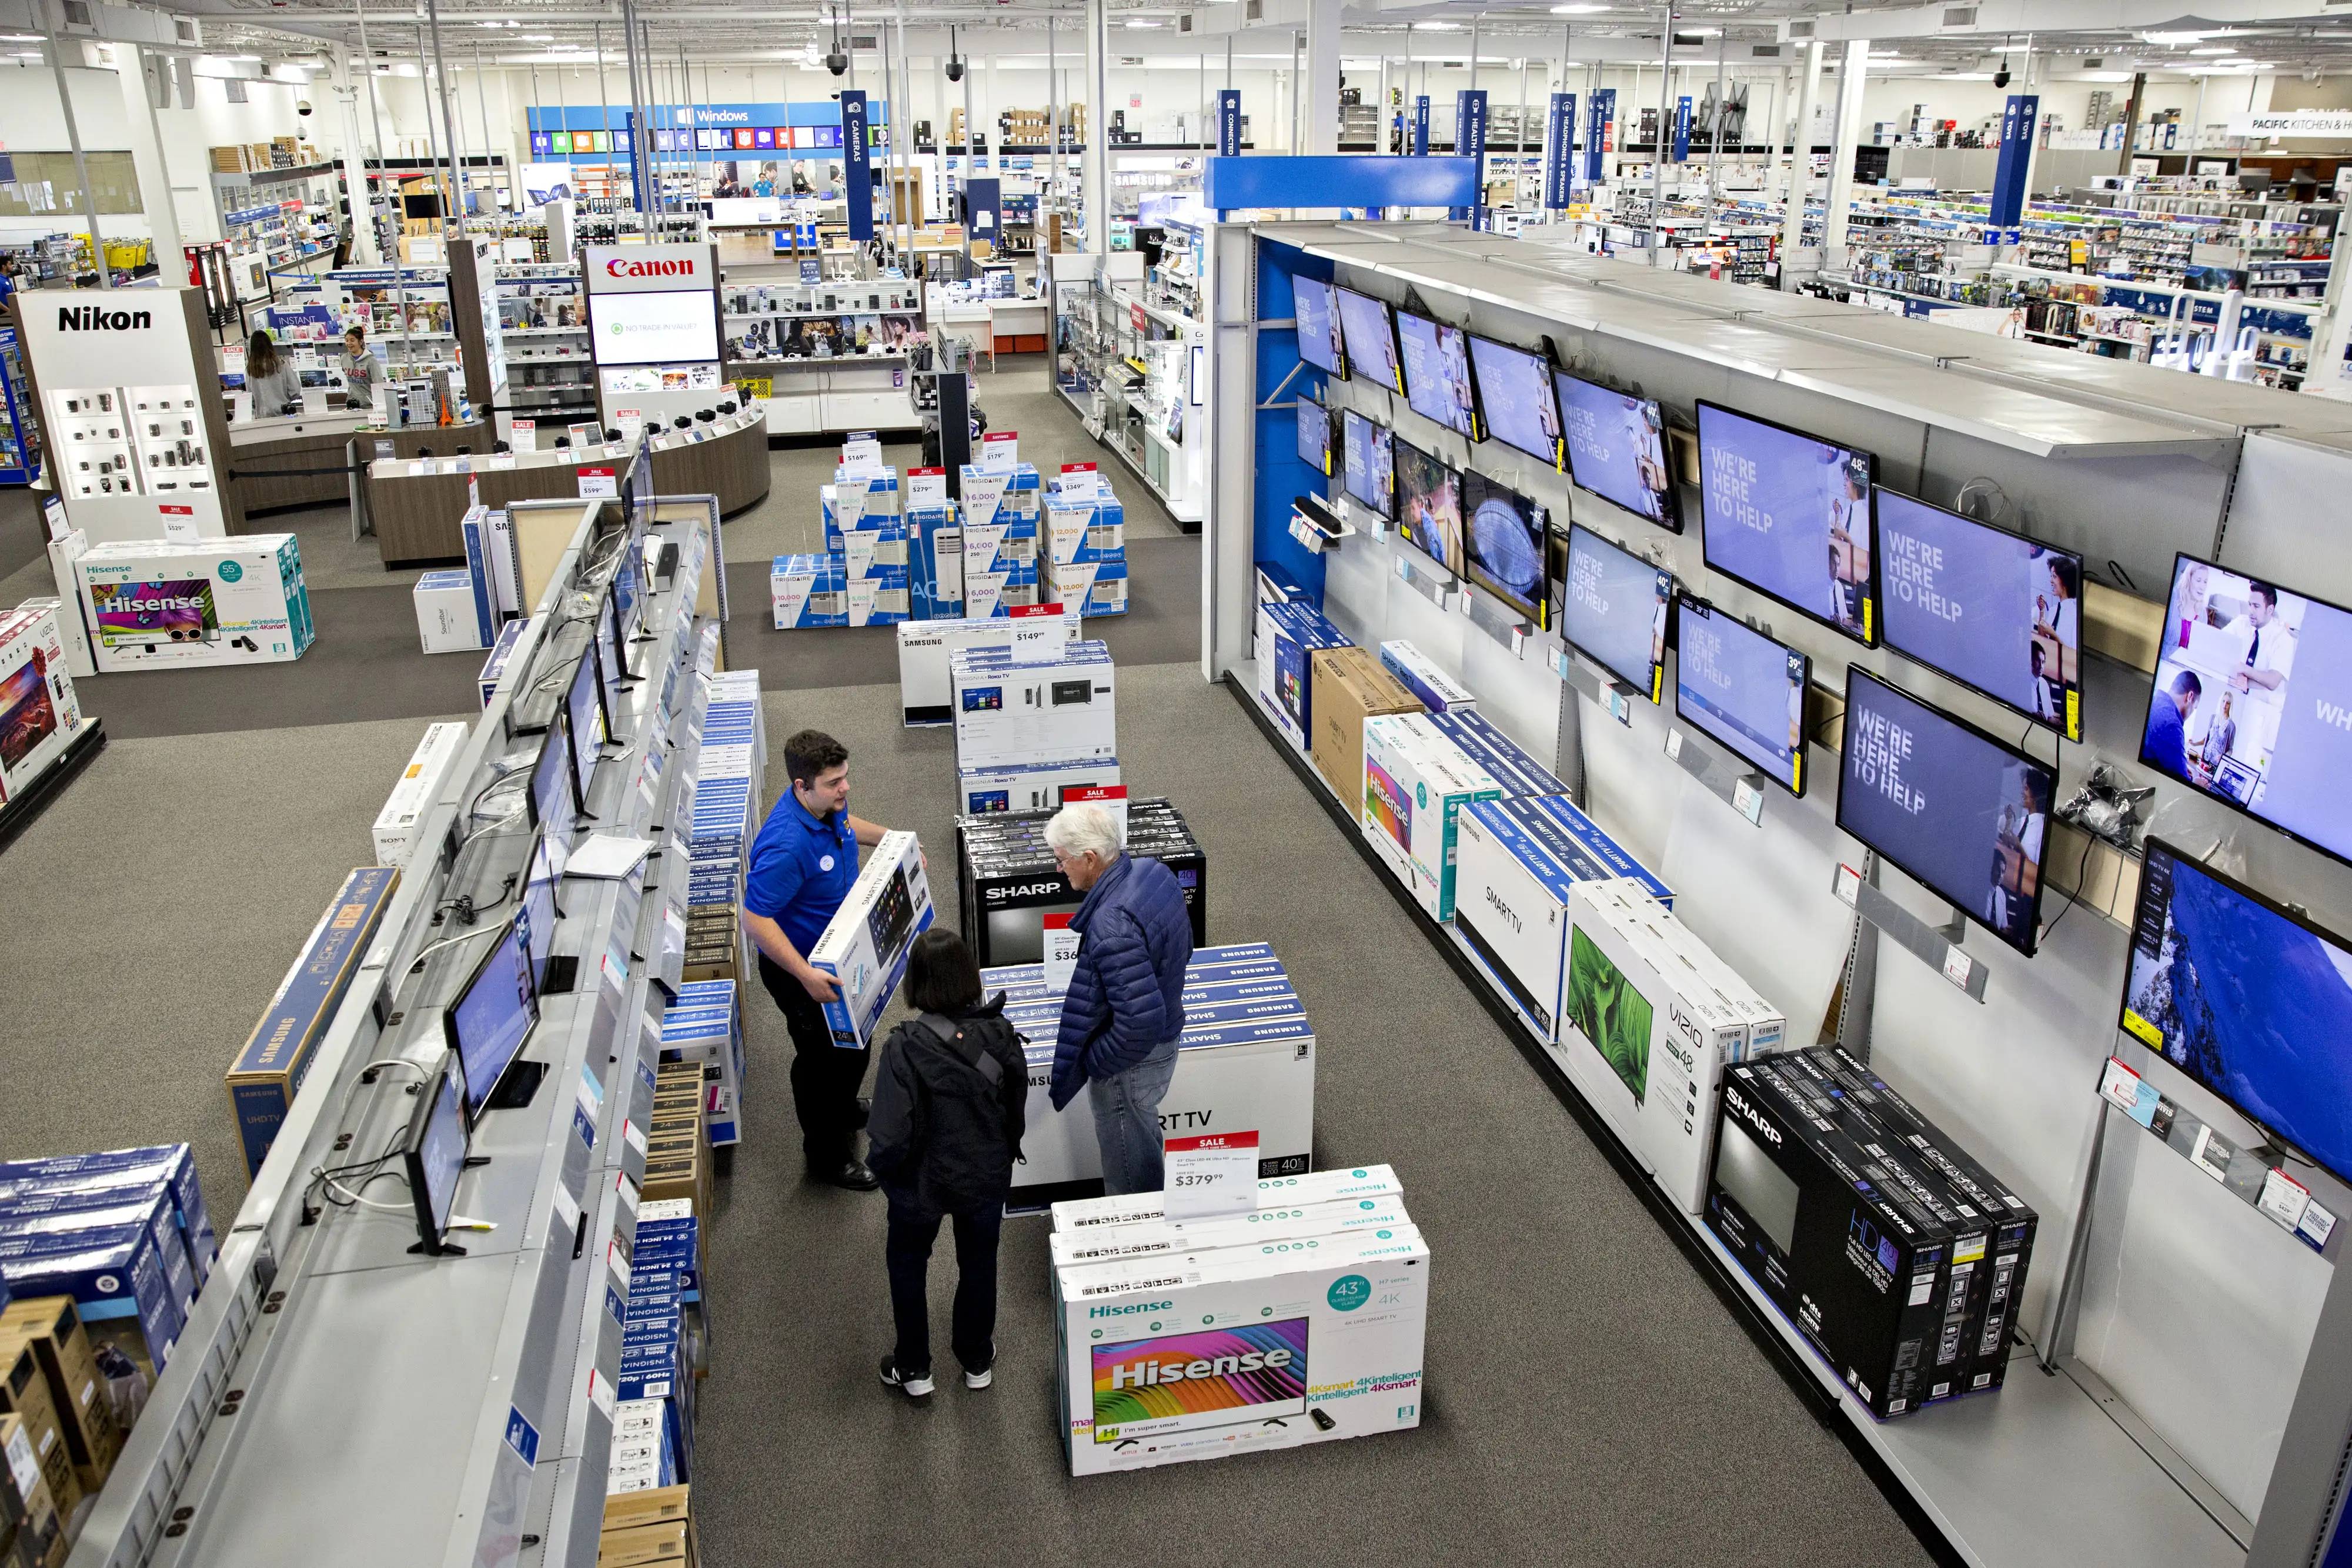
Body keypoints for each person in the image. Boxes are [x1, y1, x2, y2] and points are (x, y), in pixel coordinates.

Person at [743, 729, 909, 1190]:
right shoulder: (786, 845)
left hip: (839, 956)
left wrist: (894, 841)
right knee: (821, 1064)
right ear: (802, 786)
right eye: (835, 782)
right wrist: (805, 973)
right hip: (802, 972)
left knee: (855, 1043)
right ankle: (825, 1155)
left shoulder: (823, 808)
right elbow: (755, 920)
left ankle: (843, 1108)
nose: (845, 789)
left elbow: (849, 824)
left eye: (845, 777)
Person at [866, 930, 1025, 1400]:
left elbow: (891, 1134)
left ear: (916, 982)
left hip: (921, 1184)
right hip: (983, 1175)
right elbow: (1014, 1106)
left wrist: (884, 1172)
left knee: (908, 1264)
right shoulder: (999, 1033)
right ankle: (977, 1358)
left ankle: (914, 1367)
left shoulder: (904, 1046)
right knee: (979, 1262)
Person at [1045, 801, 1195, 1195]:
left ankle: (1138, 1239)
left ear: (1090, 858)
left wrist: (1097, 1063)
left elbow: (1138, 1024)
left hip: (1131, 1062)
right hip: (1166, 1034)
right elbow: (1184, 946)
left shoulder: (1111, 923)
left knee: (1129, 1166)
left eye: (1063, 860)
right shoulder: (1154, 873)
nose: (1060, 869)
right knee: (1143, 1138)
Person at [2146, 669, 2200, 779]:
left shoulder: (2155, 697)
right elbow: (2181, 781)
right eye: (2194, 708)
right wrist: (2195, 782)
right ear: (2190, 696)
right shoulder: (2172, 724)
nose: (2191, 713)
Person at [243, 331, 301, 417]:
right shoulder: (281, 365)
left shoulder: (250, 370)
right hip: (284, 413)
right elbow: (295, 391)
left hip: (262, 416)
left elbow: (250, 398)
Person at [340, 326, 378, 414]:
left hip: (370, 405)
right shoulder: (344, 358)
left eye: (352, 340)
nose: (349, 343)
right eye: (347, 340)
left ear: (361, 342)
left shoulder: (371, 361)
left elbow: (379, 384)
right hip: (352, 405)